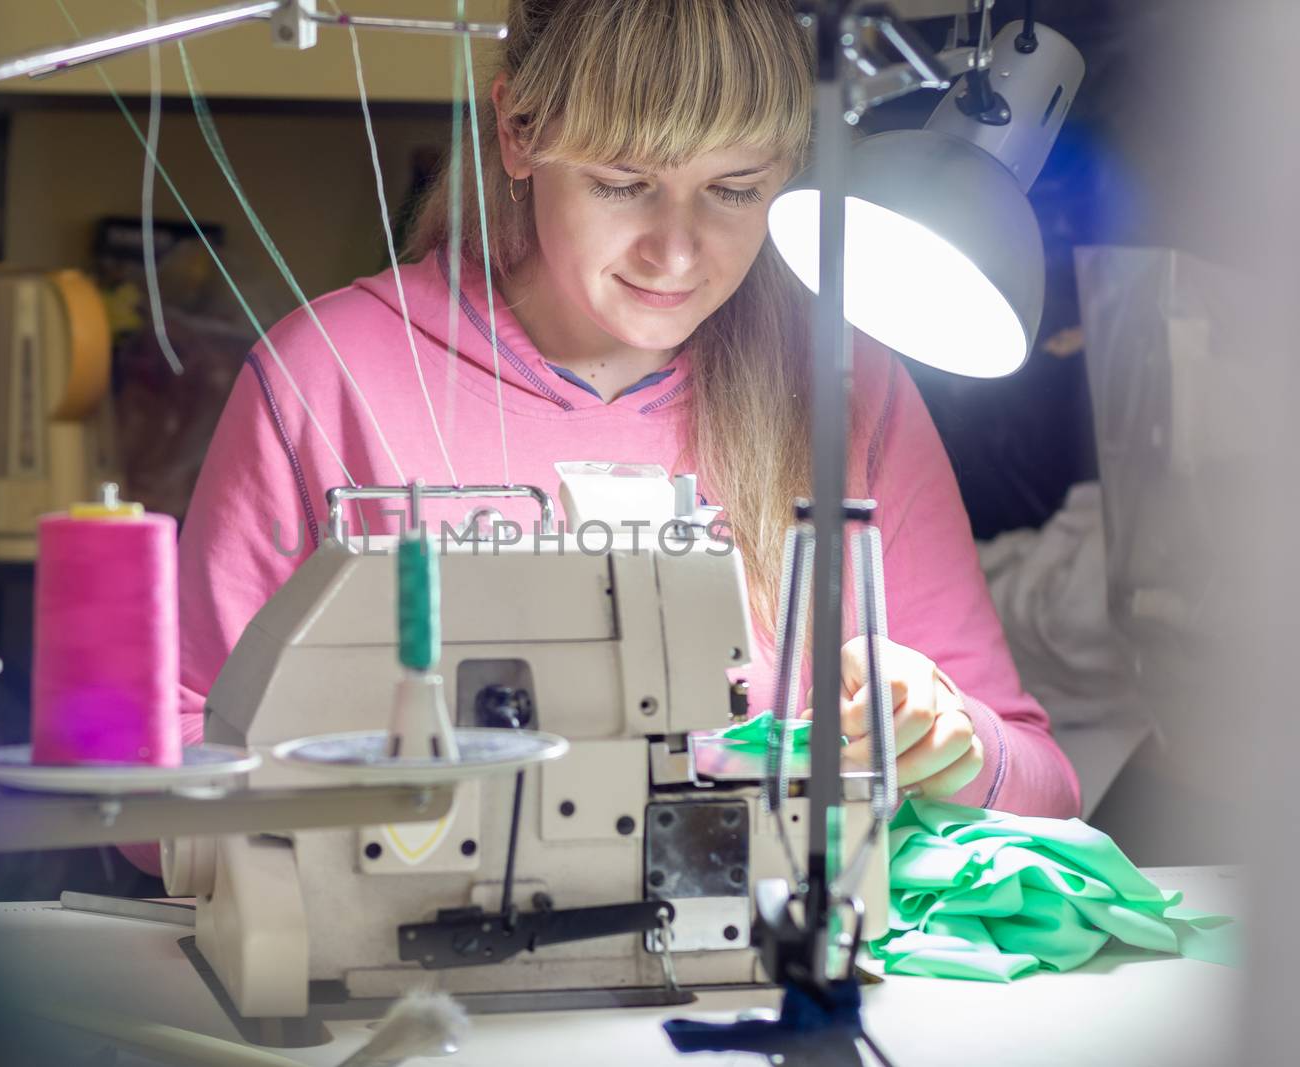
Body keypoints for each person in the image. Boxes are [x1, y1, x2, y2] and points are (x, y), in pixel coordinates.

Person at [145, 0, 1080, 871]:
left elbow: (1043, 784)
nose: (675, 253)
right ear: (518, 133)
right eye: (623, 183)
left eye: (734, 188)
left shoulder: (845, 385)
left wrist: (950, 741)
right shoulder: (325, 378)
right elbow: (162, 780)